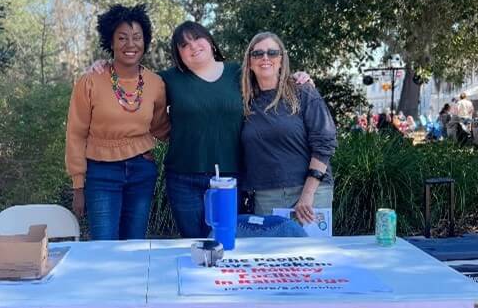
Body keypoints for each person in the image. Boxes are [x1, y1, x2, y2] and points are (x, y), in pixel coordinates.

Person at [86, 20, 312, 238]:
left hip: (229, 179)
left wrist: (296, 77)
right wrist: (105, 66)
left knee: (226, 243)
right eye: (184, 45)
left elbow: (270, 76)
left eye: (197, 39)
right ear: (179, 54)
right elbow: (131, 79)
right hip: (183, 180)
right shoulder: (168, 80)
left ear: (211, 42)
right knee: (195, 245)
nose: (192, 46)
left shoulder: (239, 73)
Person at [65, 4, 170, 240]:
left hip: (142, 170)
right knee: (103, 246)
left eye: (136, 37)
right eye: (122, 38)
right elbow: (75, 133)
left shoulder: (155, 83)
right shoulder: (90, 81)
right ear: (110, 42)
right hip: (101, 172)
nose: (130, 44)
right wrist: (78, 185)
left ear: (145, 41)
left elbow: (162, 127)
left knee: (135, 244)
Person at [240, 31, 336, 224]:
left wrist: (307, 194)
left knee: (313, 254)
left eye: (272, 53)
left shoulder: (303, 92)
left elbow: (324, 143)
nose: (265, 58)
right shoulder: (243, 100)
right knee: (270, 254)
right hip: (266, 196)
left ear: (282, 60)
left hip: (311, 193)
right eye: (257, 53)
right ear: (249, 62)